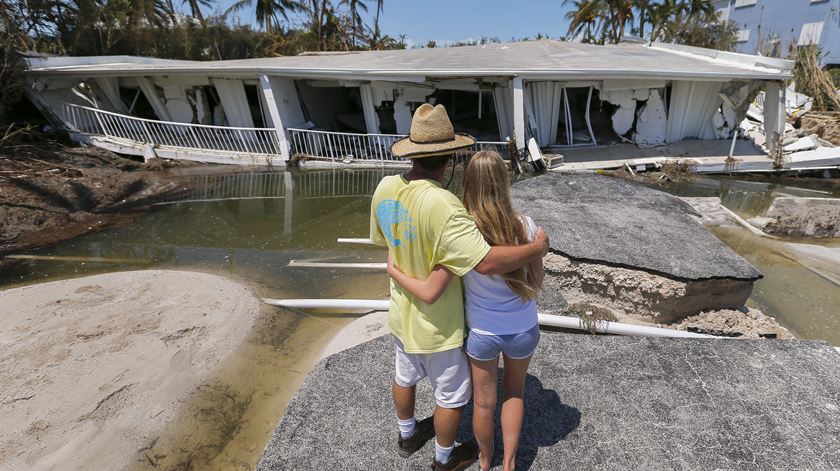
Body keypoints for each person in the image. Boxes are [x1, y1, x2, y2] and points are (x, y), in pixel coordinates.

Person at [371, 104, 548, 471]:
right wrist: (536, 247)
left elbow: (387, 238)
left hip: (404, 316)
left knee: (409, 379)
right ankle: (450, 459)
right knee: (456, 397)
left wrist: (395, 268)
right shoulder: (450, 209)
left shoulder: (386, 187)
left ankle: (414, 438)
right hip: (446, 326)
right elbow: (485, 261)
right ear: (449, 157)